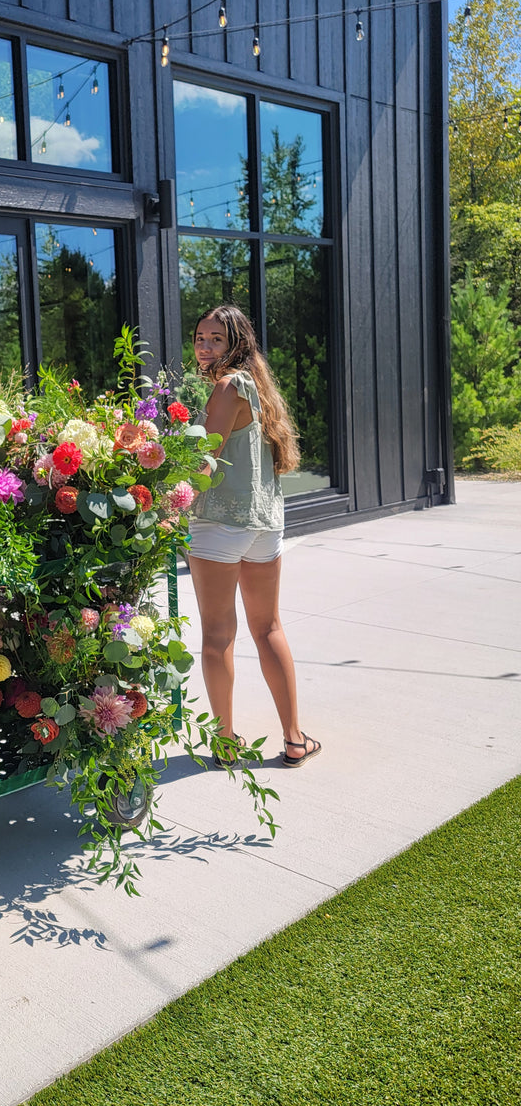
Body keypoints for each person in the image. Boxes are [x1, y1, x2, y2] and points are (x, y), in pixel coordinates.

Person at [186, 304, 321, 768]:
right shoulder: (257, 389)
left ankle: (224, 743)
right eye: (200, 337)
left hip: (221, 523)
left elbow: (206, 460)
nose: (205, 346)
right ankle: (294, 739)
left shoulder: (225, 387)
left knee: (217, 635)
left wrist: (164, 497)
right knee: (269, 628)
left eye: (216, 339)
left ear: (235, 344)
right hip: (265, 527)